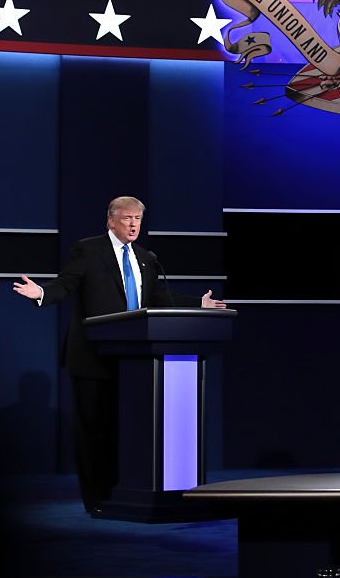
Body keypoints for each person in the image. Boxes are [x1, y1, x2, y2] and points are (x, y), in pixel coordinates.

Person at [13, 196, 227, 515]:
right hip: (92, 358)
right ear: (111, 220)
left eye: (138, 220)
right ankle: (95, 499)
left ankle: (120, 493)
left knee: (122, 431)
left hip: (133, 362)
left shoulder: (145, 258)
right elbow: (67, 284)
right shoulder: (88, 250)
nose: (133, 225)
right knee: (93, 433)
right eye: (127, 218)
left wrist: (199, 303)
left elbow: (158, 298)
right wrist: (42, 293)